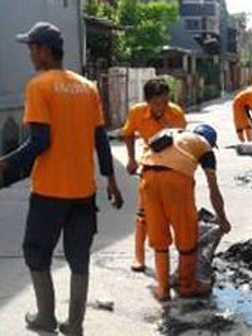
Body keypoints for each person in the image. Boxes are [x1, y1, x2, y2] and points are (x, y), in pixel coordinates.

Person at [0, 22, 123, 335]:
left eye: (31, 48)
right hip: (83, 190)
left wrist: (6, 164)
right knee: (78, 256)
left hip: (50, 191)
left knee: (36, 251)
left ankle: (46, 318)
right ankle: (75, 325)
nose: (29, 54)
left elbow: (41, 141)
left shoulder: (39, 86)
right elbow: (100, 139)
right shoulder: (87, 86)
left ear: (43, 50)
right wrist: (110, 178)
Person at [139, 125, 231, 301]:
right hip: (175, 181)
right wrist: (222, 219)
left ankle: (163, 290)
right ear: (211, 142)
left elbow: (145, 160)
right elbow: (213, 189)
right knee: (187, 235)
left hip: (147, 179)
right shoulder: (204, 146)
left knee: (160, 239)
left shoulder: (171, 133)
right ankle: (187, 285)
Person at [122, 78, 186, 272]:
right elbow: (128, 134)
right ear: (148, 102)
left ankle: (182, 258)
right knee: (143, 215)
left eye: (165, 102)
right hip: (149, 167)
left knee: (177, 214)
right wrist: (131, 159)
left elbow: (184, 141)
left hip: (173, 168)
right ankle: (139, 258)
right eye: (156, 104)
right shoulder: (137, 113)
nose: (161, 107)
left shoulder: (176, 113)